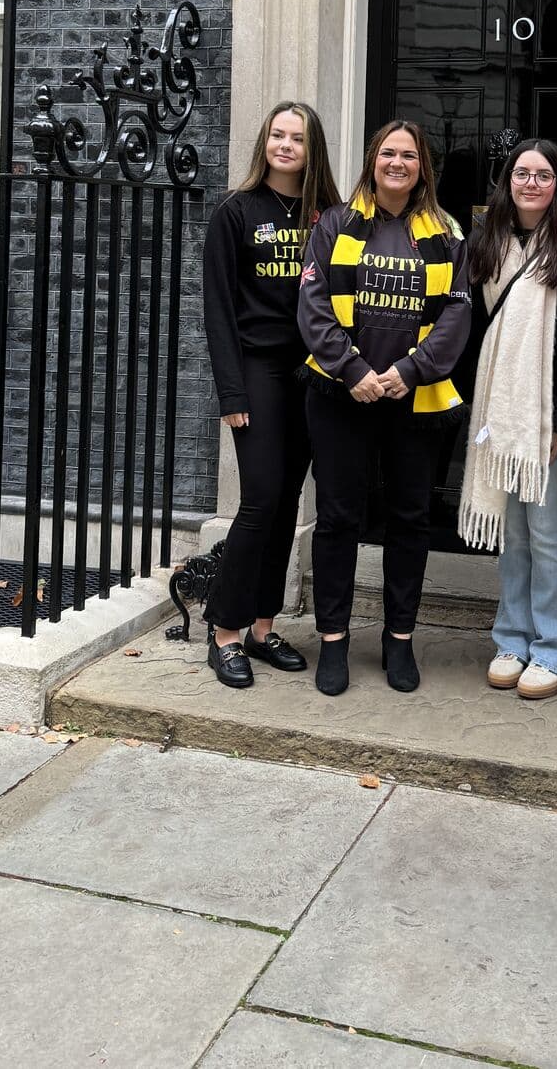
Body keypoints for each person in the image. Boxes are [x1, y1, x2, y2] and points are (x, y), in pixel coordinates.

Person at [299, 119, 470, 697]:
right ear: (373, 159)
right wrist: (354, 372)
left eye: (410, 156)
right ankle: (333, 640)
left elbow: (456, 316)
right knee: (339, 519)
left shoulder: (446, 232)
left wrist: (407, 372)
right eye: (388, 153)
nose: (398, 163)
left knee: (409, 520)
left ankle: (400, 639)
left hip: (413, 400)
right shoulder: (334, 223)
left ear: (424, 167)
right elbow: (313, 305)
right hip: (341, 397)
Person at [201, 101, 341, 689]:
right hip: (257, 371)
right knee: (259, 499)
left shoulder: (328, 215)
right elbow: (218, 309)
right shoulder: (235, 213)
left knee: (287, 501)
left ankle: (262, 626)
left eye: (298, 138)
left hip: (311, 374)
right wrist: (231, 391)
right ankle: (224, 630)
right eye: (277, 135)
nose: (285, 145)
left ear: (312, 150)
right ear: (265, 142)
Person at [458, 139, 557, 700]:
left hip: (552, 414)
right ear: (507, 180)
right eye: (521, 173)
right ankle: (512, 639)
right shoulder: (484, 240)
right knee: (512, 531)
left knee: (544, 525)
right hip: (499, 409)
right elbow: (467, 327)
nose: (531, 183)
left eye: (543, 174)